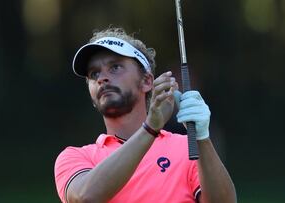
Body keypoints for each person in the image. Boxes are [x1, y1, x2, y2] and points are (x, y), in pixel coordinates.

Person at [54, 27, 236, 203]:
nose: (102, 78)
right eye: (94, 73)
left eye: (115, 67)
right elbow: (85, 197)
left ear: (147, 81)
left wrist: (202, 138)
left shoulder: (186, 148)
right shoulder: (75, 157)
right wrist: (150, 128)